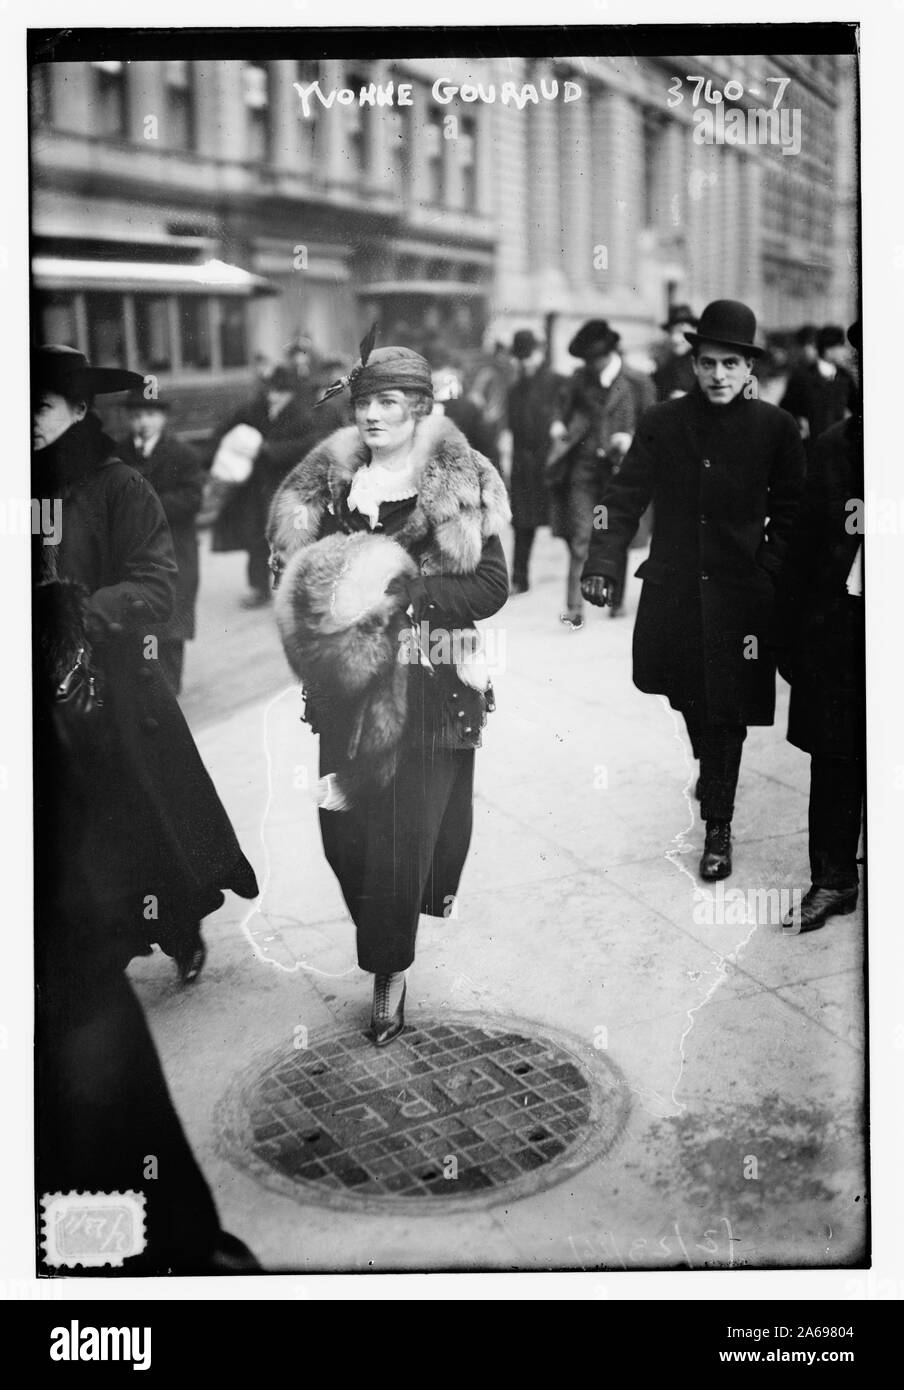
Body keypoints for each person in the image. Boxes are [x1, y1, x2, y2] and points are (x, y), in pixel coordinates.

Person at [32, 345, 260, 1271]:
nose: (30, 421)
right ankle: (121, 936)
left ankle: (181, 928)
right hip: (41, 716)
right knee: (85, 856)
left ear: (78, 409)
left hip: (117, 704)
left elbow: (159, 586)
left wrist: (78, 611)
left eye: (41, 405)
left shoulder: (118, 485)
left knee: (145, 831)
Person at [267, 342, 510, 1046]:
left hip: (429, 690)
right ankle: (383, 936)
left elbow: (490, 585)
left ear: (421, 411)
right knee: (341, 837)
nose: (371, 415)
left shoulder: (460, 482)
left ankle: (388, 973)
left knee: (402, 843)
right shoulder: (332, 486)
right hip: (345, 692)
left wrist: (409, 593)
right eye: (364, 403)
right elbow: (290, 567)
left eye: (388, 403)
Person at [581, 300, 806, 880]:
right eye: (709, 363)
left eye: (732, 364)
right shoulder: (663, 422)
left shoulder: (776, 430)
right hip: (676, 591)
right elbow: (622, 497)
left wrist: (770, 573)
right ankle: (710, 765)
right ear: (694, 363)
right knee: (685, 694)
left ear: (749, 367)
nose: (719, 376)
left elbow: (792, 514)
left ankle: (718, 828)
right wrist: (601, 562)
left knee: (725, 711)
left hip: (740, 598)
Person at [777, 321, 865, 934]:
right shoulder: (833, 450)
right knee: (835, 757)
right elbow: (797, 552)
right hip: (842, 631)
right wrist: (791, 638)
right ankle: (833, 880)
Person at [211, 364, 344, 607]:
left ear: (290, 393)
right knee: (256, 536)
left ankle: (294, 590)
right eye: (270, 391)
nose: (273, 397)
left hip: (287, 485)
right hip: (256, 486)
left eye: (280, 392)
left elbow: (310, 444)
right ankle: (259, 589)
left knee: (289, 538)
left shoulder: (302, 414)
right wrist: (233, 442)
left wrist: (269, 450)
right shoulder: (255, 409)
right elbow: (226, 427)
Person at [549, 319, 639, 627]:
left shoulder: (635, 381)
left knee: (615, 535)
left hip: (618, 472)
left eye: (595, 359)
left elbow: (653, 424)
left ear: (609, 354)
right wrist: (559, 425)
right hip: (583, 469)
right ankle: (575, 609)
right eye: (586, 360)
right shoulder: (579, 378)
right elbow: (561, 408)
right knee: (581, 537)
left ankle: (614, 598)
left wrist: (629, 437)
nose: (591, 365)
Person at [118, 391, 204, 694]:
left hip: (174, 552)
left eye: (150, 415)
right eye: (137, 416)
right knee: (140, 623)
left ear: (163, 418)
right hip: (133, 555)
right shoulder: (118, 455)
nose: (143, 423)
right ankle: (148, 687)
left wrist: (147, 504)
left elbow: (192, 499)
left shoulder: (182, 455)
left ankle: (167, 691)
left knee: (169, 625)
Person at [505, 329, 563, 594]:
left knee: (573, 521)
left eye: (528, 356)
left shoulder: (558, 384)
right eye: (520, 357)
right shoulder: (515, 390)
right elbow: (513, 430)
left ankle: (588, 571)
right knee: (521, 525)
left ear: (539, 354)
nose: (524, 362)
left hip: (553, 464)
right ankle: (519, 578)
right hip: (524, 468)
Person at [780, 324, 855, 456]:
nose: (844, 352)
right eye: (841, 346)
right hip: (810, 449)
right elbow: (786, 408)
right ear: (829, 349)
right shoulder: (802, 377)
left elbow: (857, 407)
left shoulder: (845, 377)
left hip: (838, 448)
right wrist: (799, 421)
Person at [653, 303, 698, 401]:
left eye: (681, 332)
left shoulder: (703, 362)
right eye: (671, 332)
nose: (674, 339)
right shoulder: (665, 363)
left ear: (695, 331)